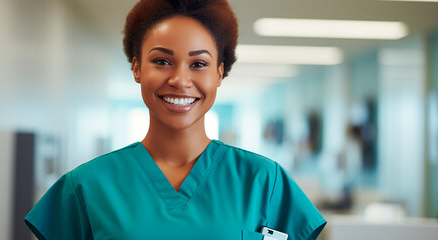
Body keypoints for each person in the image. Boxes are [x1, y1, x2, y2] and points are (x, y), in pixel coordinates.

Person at [24, 0, 326, 239]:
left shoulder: (265, 181)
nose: (180, 80)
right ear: (137, 68)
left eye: (199, 63)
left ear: (219, 73)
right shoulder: (86, 186)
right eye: (162, 61)